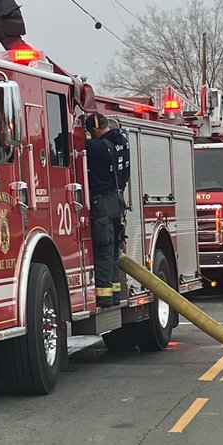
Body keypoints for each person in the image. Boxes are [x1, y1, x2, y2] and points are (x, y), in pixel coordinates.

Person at [84, 112, 130, 307]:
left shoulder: (97, 147)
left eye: (90, 133)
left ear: (95, 130)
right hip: (118, 203)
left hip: (102, 204)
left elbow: (63, 142)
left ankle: (104, 298)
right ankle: (116, 296)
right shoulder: (123, 142)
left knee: (103, 252)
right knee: (113, 253)